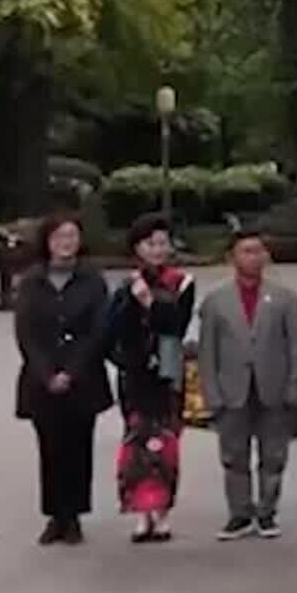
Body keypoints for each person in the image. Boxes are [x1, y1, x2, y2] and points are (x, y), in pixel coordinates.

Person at [196, 229, 297, 540]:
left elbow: (296, 345)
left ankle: (267, 513)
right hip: (232, 390)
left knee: (273, 456)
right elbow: (207, 352)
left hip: (273, 387)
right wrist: (211, 393)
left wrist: (294, 385)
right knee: (234, 456)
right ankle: (239, 514)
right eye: (246, 251)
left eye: (258, 251)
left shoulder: (283, 297)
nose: (253, 257)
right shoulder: (216, 301)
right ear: (232, 257)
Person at [13, 214, 113, 545]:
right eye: (59, 237)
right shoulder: (32, 280)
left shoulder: (93, 280)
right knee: (50, 447)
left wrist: (71, 371)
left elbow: (98, 331)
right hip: (42, 379)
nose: (65, 243)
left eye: (71, 236)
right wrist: (47, 373)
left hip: (81, 377)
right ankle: (55, 514)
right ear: (47, 241)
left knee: (78, 446)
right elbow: (26, 332)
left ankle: (74, 515)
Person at [105, 213, 196, 543]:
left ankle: (163, 513)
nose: (158, 250)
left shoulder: (182, 282)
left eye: (162, 243)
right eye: (150, 244)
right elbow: (111, 330)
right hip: (136, 373)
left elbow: (176, 324)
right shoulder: (125, 286)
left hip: (168, 372)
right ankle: (141, 513)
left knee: (166, 441)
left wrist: (149, 302)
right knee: (136, 442)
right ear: (137, 249)